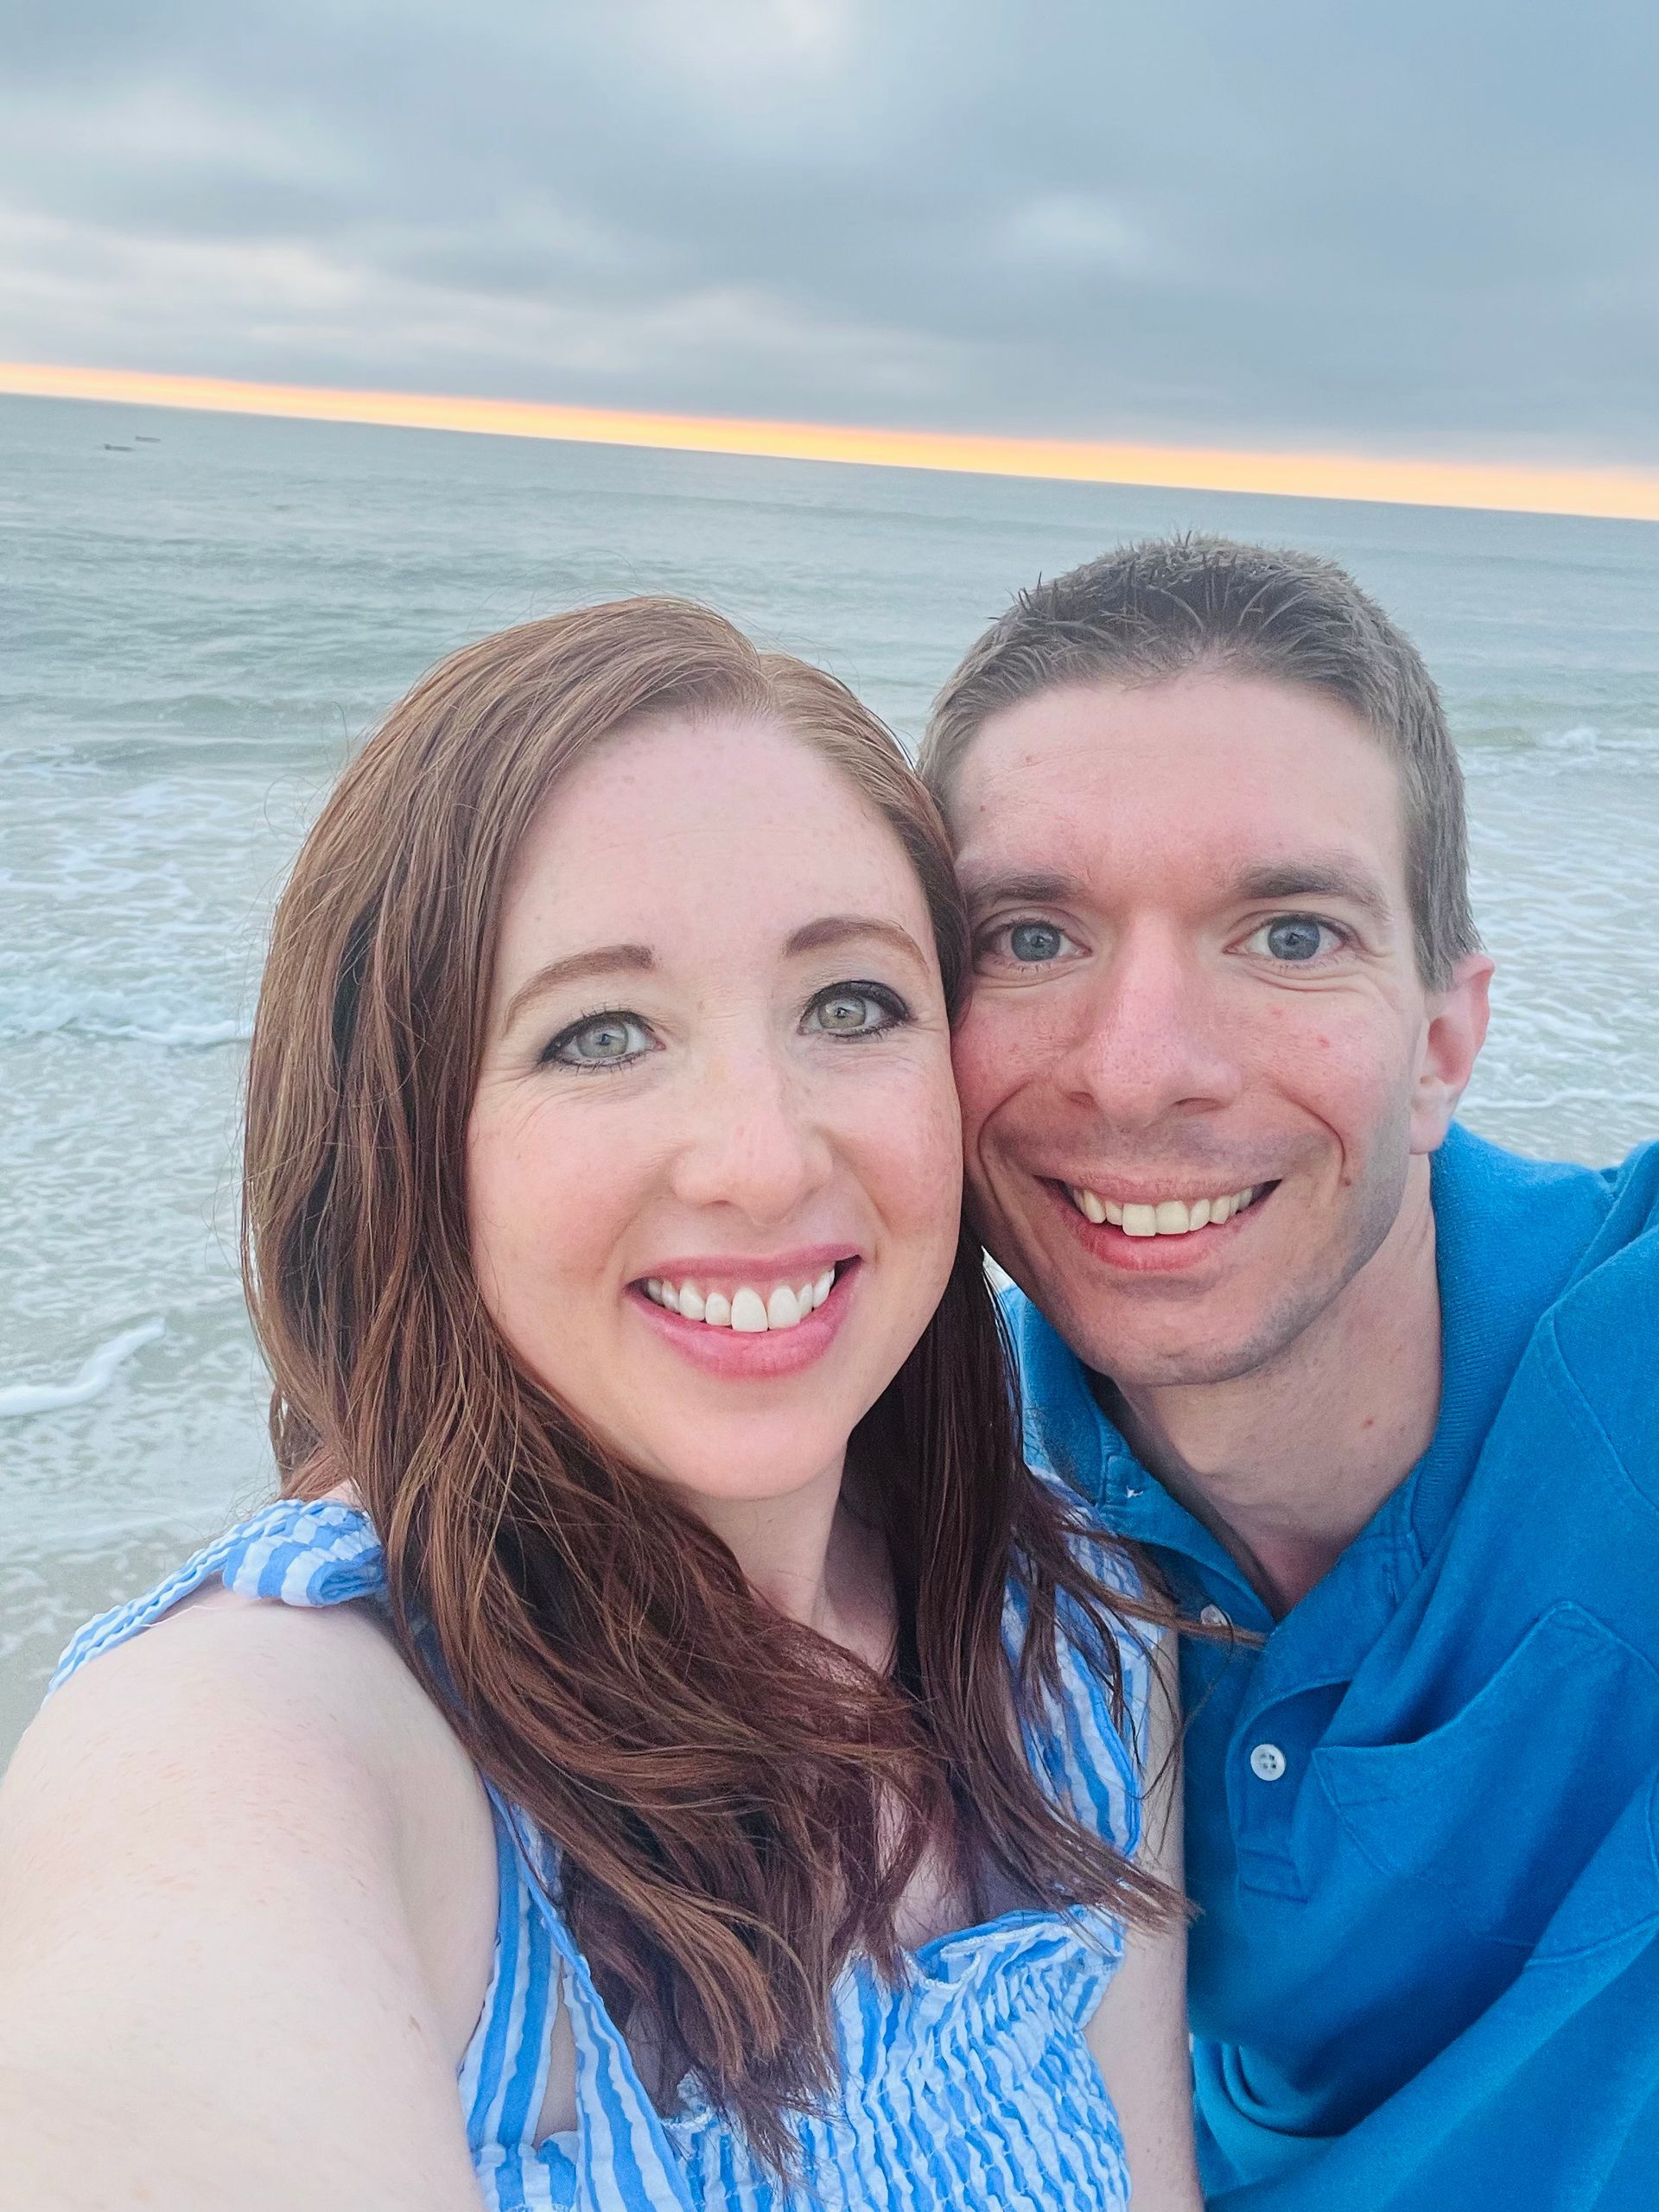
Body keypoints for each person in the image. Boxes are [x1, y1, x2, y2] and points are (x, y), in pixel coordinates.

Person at [0, 599, 1202, 2212]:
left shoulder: (1071, 1658)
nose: (762, 1157)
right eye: (600, 1034)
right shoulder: (268, 1748)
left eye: (851, 1004)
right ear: (413, 1141)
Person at [918, 534, 1659, 2212]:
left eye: (1293, 931)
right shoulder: (918, 1505)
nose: (1143, 1063)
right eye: (1032, 936)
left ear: (1443, 1045)